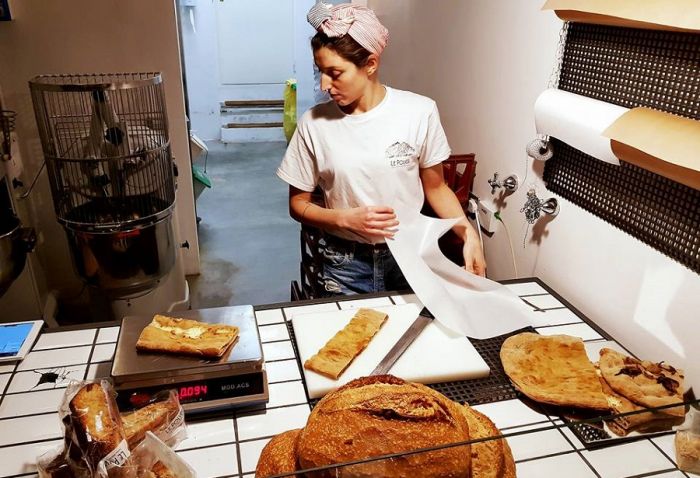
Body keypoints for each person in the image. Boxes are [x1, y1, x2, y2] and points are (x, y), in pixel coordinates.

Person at [277, 2, 486, 296]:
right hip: (345, 263)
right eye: (320, 71)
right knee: (348, 328)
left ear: (371, 64)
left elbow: (436, 188)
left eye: (335, 73)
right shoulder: (314, 123)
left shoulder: (419, 112)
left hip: (410, 255)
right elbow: (298, 204)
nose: (325, 84)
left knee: (417, 326)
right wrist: (344, 218)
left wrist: (467, 233)